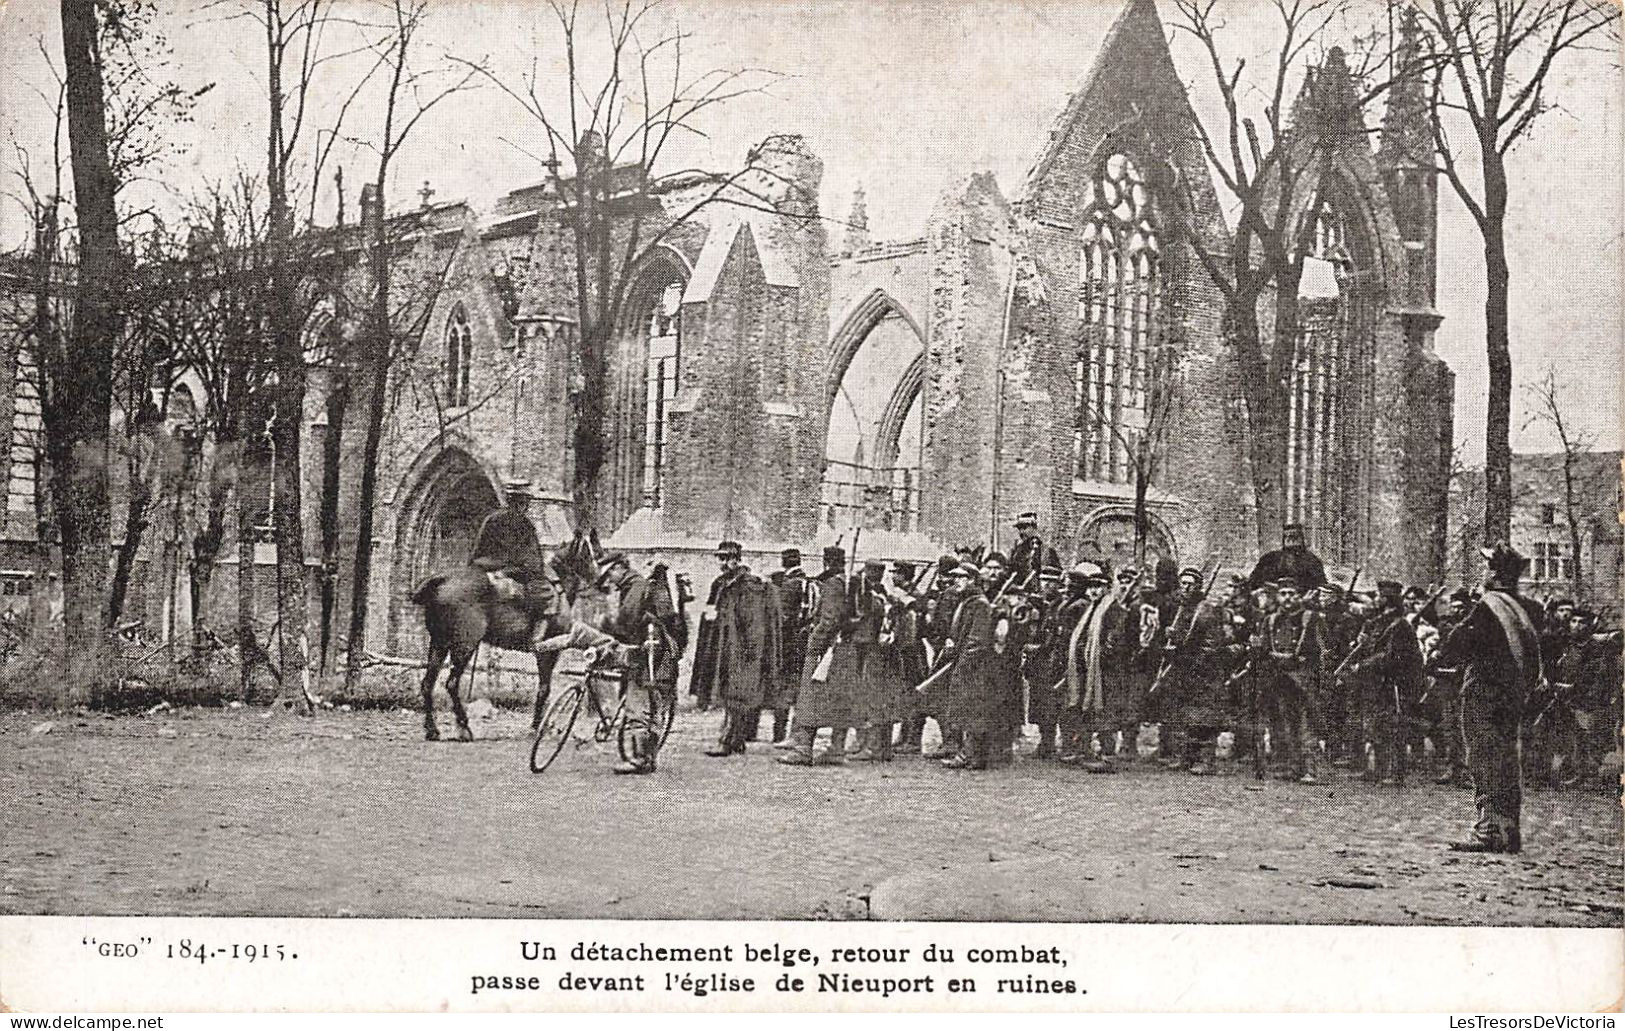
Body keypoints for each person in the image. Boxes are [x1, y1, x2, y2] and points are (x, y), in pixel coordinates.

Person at [1432, 543, 1544, 853]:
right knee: (1507, 759)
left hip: (1484, 694)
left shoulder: (1487, 607)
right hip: (1513, 696)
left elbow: (1457, 646)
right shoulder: (1527, 608)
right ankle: (1510, 829)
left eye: (1486, 566)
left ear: (1493, 572)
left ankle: (1489, 829)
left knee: (1483, 759)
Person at [689, 541, 782, 758]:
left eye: (726, 558)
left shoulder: (748, 585)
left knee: (736, 694)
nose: (722, 563)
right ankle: (736, 739)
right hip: (720, 645)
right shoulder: (721, 583)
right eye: (719, 558)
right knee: (728, 693)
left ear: (736, 559)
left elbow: (752, 622)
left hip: (739, 648)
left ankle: (728, 739)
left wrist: (750, 649)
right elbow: (712, 611)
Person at [596, 553, 684, 775]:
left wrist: (605, 625)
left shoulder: (636, 586)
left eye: (610, 574)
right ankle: (647, 757)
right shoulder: (639, 586)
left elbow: (626, 622)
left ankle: (641, 759)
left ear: (619, 568)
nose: (609, 581)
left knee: (638, 704)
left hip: (650, 656)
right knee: (654, 705)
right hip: (661, 653)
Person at [779, 546, 856, 766]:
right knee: (839, 699)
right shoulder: (850, 582)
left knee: (810, 697)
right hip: (844, 649)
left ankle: (803, 749)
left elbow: (829, 620)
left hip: (825, 650)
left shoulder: (833, 585)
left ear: (826, 561)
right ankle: (836, 748)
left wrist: (814, 642)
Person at [1345, 580, 1424, 785]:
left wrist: (1362, 666)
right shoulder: (1381, 622)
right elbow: (1373, 647)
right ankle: (1379, 770)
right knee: (1378, 727)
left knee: (1393, 728)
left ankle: (1394, 773)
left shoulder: (1399, 625)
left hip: (1394, 684)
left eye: (1379, 596)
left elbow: (1389, 656)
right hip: (1379, 683)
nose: (1376, 600)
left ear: (1387, 600)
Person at [1151, 566, 1227, 775]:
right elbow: (1182, 639)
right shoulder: (1182, 609)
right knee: (1184, 714)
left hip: (1203, 672)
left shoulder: (1206, 610)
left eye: (1189, 584)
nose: (1184, 588)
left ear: (1198, 587)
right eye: (1182, 583)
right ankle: (1185, 757)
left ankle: (1205, 759)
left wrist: (1190, 660)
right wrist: (1173, 639)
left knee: (1204, 717)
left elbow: (1211, 646)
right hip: (1184, 670)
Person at [1262, 576, 1326, 783]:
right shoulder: (1270, 620)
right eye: (1283, 594)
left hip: (1303, 680)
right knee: (1283, 723)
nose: (1287, 598)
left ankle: (1310, 769)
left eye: (1292, 593)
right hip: (1279, 679)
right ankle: (1290, 766)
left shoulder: (1311, 618)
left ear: (1299, 596)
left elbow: (1323, 650)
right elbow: (1264, 650)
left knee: (1306, 725)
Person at [469, 478, 552, 630]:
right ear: (522, 502)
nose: (526, 506)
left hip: (482, 568)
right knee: (545, 594)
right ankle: (535, 634)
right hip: (511, 571)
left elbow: (477, 549)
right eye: (525, 502)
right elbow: (533, 561)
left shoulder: (491, 519)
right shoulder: (524, 524)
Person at [941, 562, 998, 770]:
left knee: (974, 712)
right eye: (955, 577)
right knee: (967, 711)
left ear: (972, 580)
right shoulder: (967, 601)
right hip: (966, 663)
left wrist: (962, 665)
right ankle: (969, 754)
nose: (955, 581)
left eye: (961, 577)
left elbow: (977, 641)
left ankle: (972, 756)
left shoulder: (980, 604)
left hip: (976, 668)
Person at [766, 548, 815, 746]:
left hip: (788, 644)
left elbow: (783, 619)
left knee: (784, 689)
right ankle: (792, 732)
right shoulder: (808, 582)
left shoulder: (790, 585)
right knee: (798, 687)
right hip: (803, 642)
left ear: (784, 561)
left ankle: (780, 733)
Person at [1245, 523, 1328, 593]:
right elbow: (1254, 581)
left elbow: (1320, 585)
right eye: (1286, 536)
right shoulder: (1269, 559)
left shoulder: (1312, 561)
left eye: (1294, 536)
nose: (1290, 539)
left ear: (1301, 538)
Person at [1008, 512, 1061, 589]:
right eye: (1019, 529)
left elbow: (1055, 576)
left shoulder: (1047, 551)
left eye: (1025, 528)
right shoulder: (1017, 551)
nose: (1021, 532)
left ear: (1034, 528)